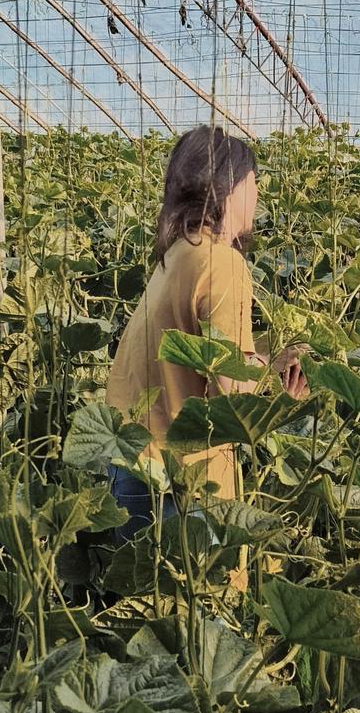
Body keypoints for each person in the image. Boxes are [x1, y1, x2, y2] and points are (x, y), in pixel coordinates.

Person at [104, 126, 307, 536]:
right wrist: (284, 399)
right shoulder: (223, 264)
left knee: (147, 594)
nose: (258, 195)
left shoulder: (180, 252)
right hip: (183, 479)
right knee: (202, 594)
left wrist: (266, 359)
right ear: (229, 189)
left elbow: (198, 356)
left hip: (131, 458)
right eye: (253, 183)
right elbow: (229, 394)